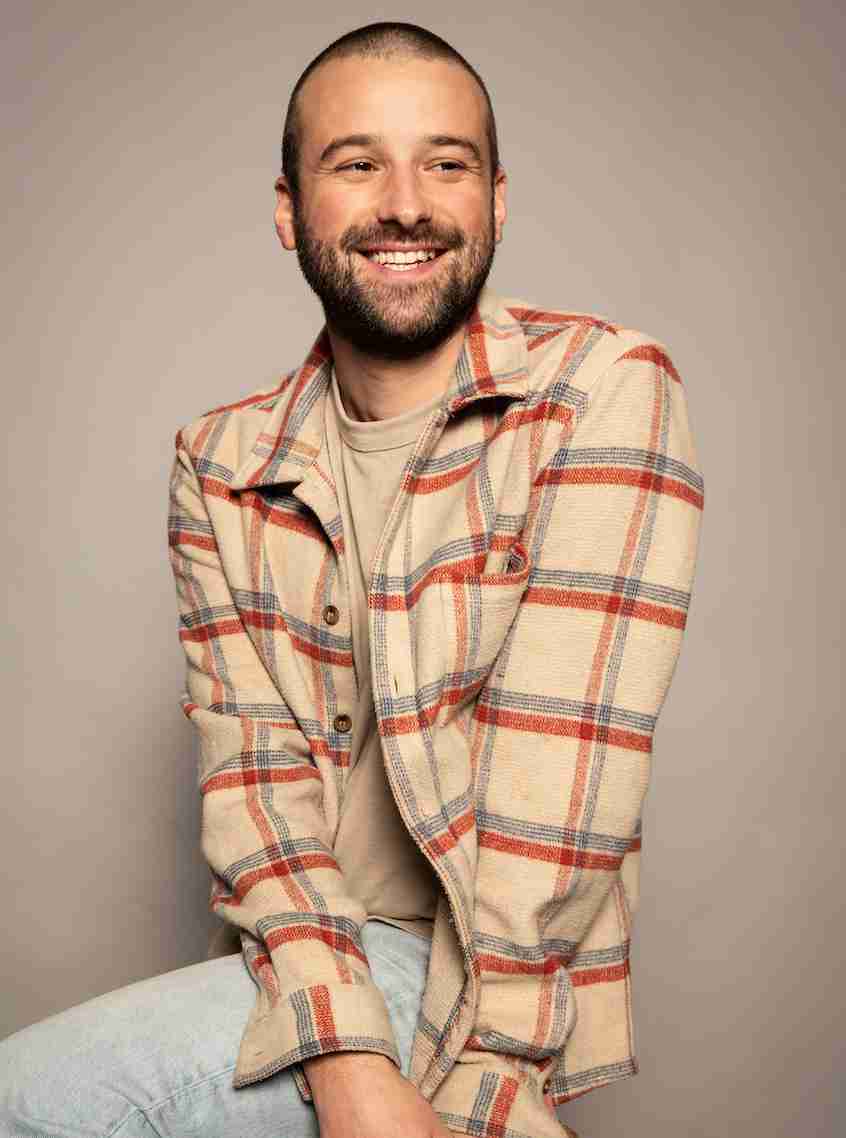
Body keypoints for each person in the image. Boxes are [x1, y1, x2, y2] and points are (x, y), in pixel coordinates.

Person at [0, 20, 705, 1138]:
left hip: (474, 970)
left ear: (497, 200)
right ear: (290, 211)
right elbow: (256, 790)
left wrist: (479, 1094)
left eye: (447, 162)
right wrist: (343, 1054)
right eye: (358, 162)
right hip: (303, 955)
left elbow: (562, 801)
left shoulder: (598, 391)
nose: (407, 203)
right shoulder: (223, 464)